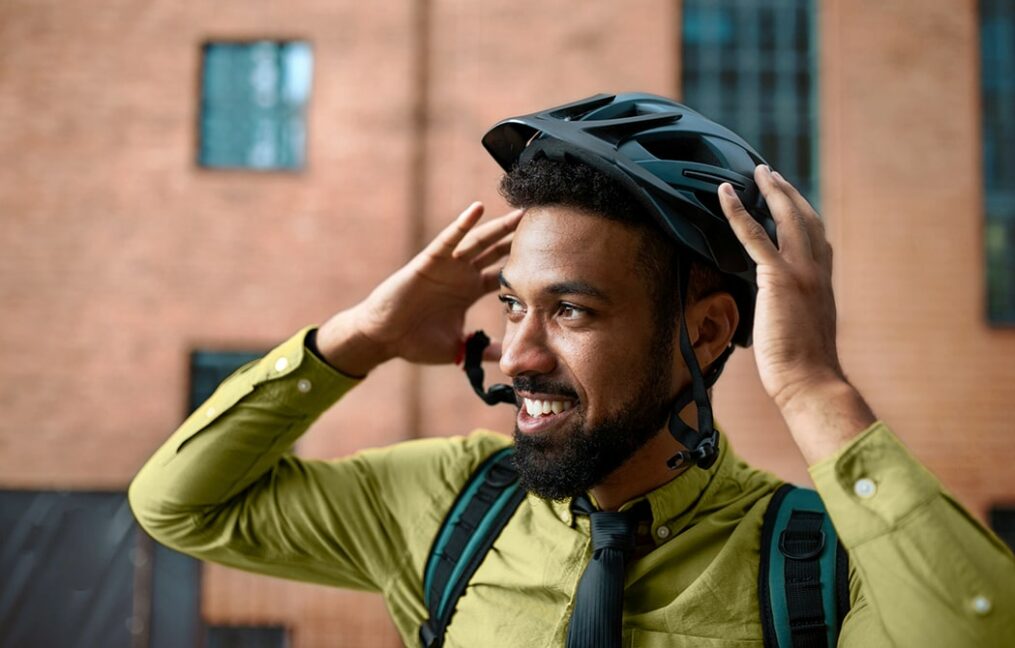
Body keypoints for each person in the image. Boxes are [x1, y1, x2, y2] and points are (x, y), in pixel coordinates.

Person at [129, 94, 1014, 647]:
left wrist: (812, 388)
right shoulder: (446, 505)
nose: (516, 356)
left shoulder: (819, 560)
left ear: (706, 334)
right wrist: (360, 336)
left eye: (571, 311)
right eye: (511, 304)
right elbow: (178, 505)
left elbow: (979, 628)